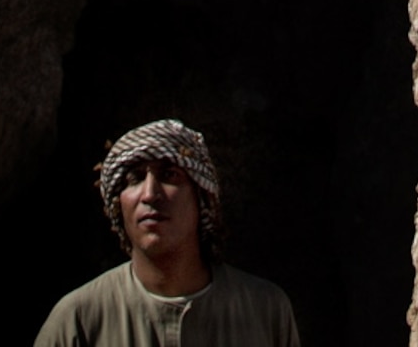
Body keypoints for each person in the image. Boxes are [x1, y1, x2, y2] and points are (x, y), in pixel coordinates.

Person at [32, 120, 301, 347]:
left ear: (201, 198)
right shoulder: (79, 319)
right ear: (118, 205)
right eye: (135, 178)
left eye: (169, 174)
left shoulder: (265, 311)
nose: (150, 194)